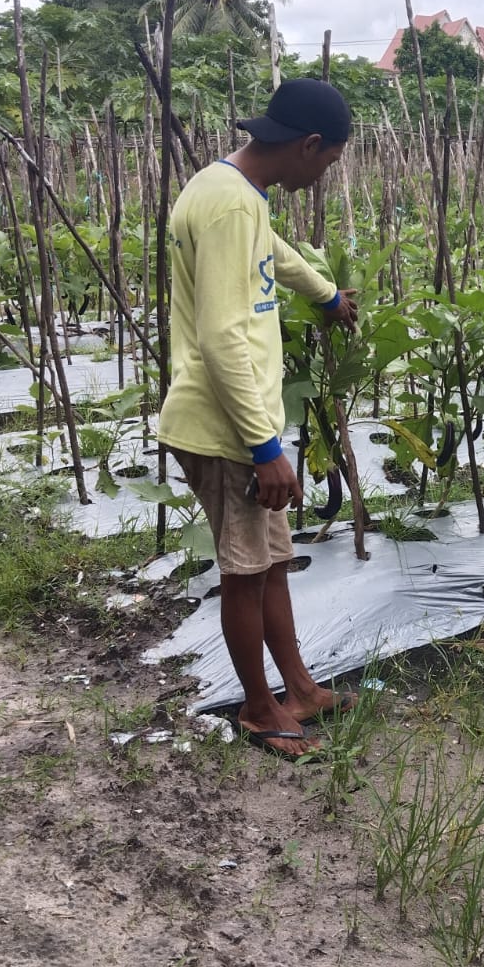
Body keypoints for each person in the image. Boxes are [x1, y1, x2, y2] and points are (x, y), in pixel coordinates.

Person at [159, 78, 358, 756]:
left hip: (243, 424)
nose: (323, 175)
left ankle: (297, 687)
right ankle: (258, 707)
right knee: (245, 573)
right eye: (327, 161)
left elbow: (275, 255)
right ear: (306, 146)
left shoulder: (238, 194)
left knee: (272, 564)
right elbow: (218, 336)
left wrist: (328, 297)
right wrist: (264, 446)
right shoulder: (224, 207)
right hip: (225, 428)